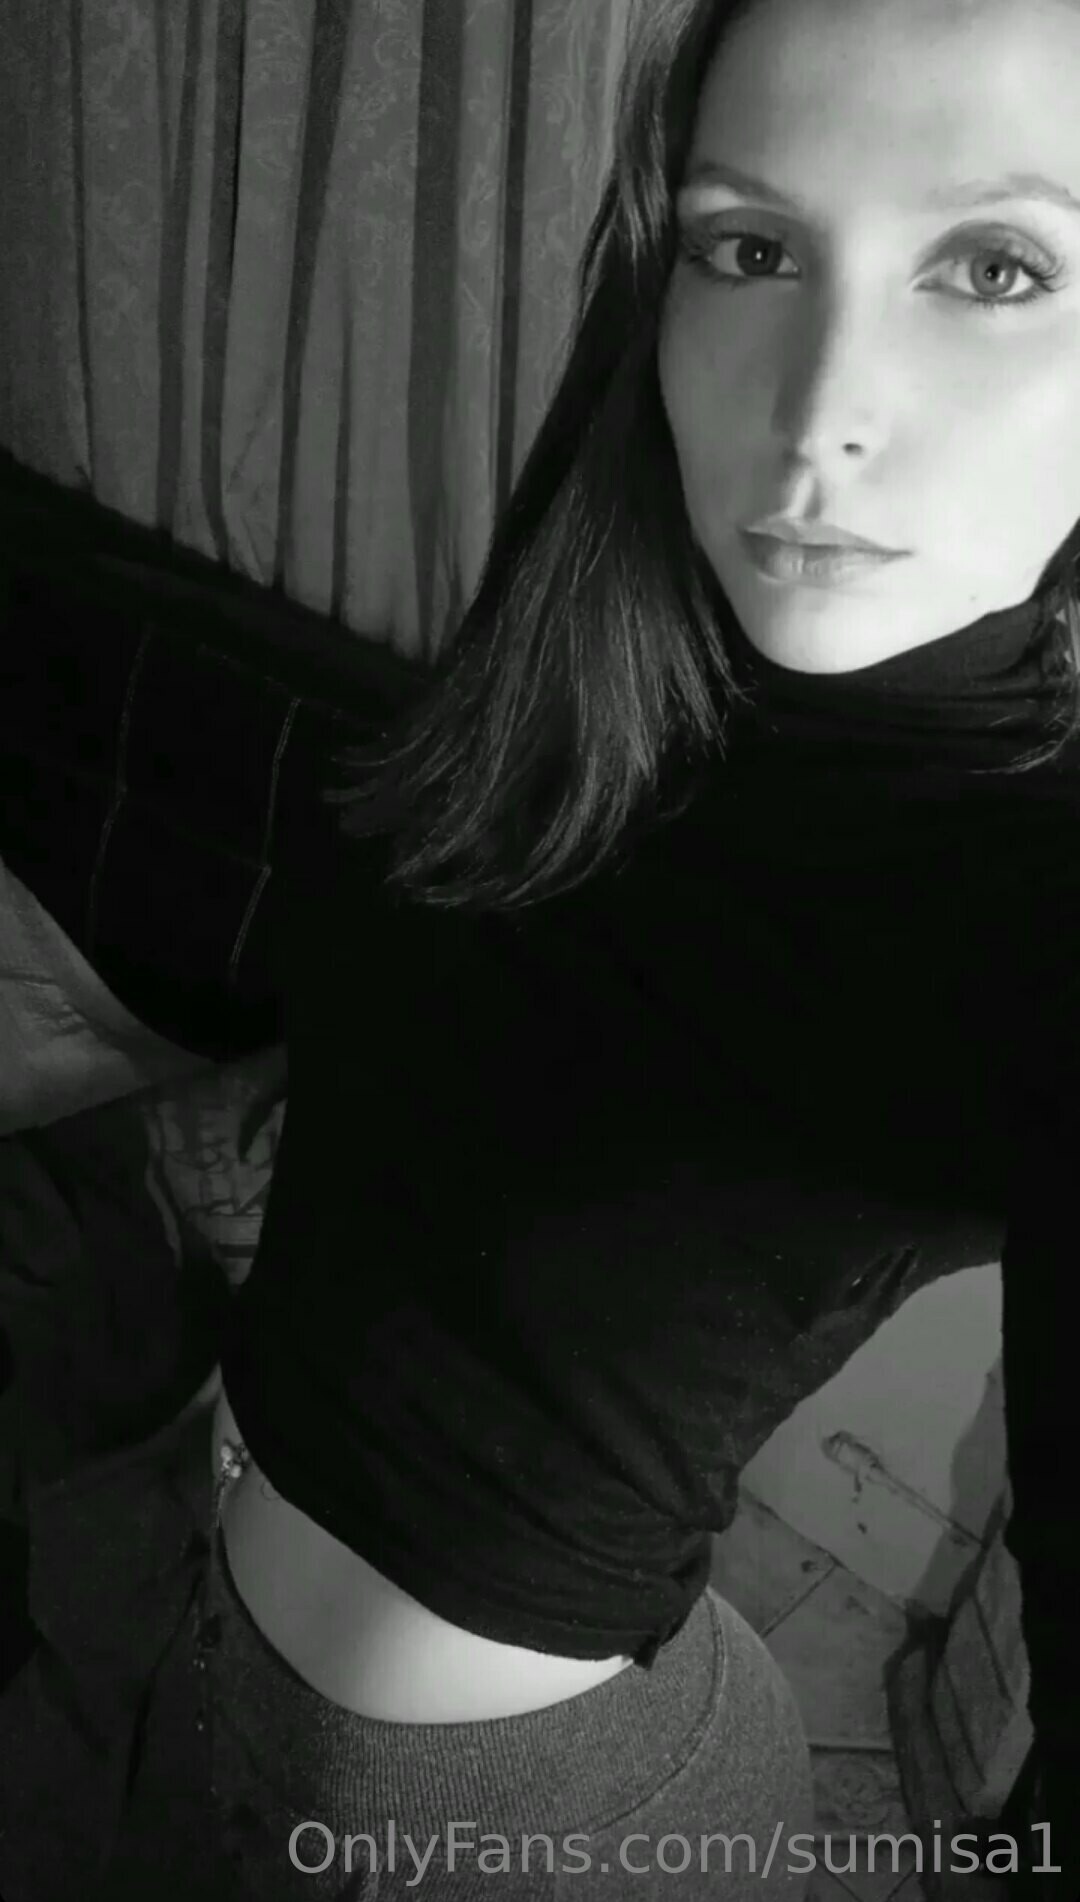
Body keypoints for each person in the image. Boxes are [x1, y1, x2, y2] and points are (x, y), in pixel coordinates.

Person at [207, 0, 1080, 1893]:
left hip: (510, 1820)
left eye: (998, 269)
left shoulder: (1029, 884)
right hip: (215, 1615)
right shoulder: (612, 602)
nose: (818, 410)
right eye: (749, 247)